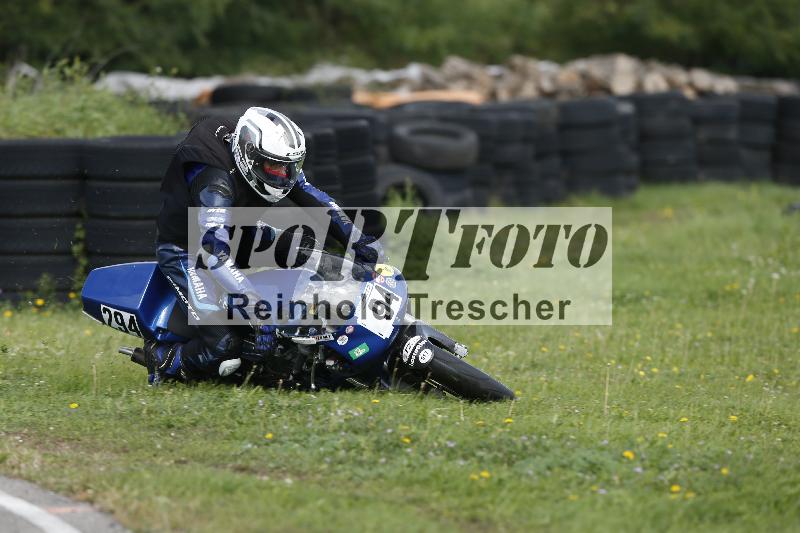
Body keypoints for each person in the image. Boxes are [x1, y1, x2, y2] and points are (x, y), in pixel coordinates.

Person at [146, 107, 381, 384]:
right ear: (250, 158)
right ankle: (165, 360)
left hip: (236, 231)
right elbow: (214, 255)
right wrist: (258, 310)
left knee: (305, 248)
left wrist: (357, 239)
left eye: (288, 167)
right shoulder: (216, 183)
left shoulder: (268, 157)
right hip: (188, 249)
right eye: (275, 167)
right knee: (222, 348)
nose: (283, 175)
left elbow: (312, 196)